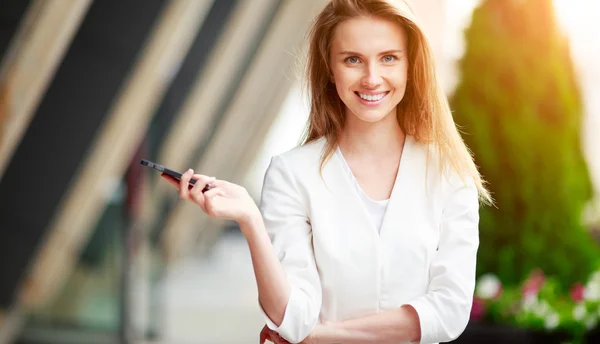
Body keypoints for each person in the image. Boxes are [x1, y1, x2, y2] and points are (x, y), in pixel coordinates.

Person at [161, 0, 493, 343]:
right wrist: (251, 221)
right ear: (330, 69)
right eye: (353, 59)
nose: (372, 78)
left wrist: (319, 336)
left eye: (389, 57)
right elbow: (293, 316)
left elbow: (449, 311)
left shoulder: (449, 173)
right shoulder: (291, 174)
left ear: (411, 66)